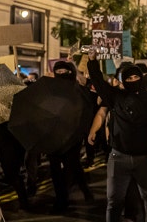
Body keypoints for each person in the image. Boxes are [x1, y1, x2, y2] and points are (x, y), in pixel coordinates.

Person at [87, 52, 147, 222]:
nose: (132, 81)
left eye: (135, 77)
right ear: (123, 81)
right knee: (114, 201)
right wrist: (92, 61)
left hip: (146, 158)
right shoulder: (116, 97)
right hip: (119, 157)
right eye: (129, 78)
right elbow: (98, 82)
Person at [47, 61, 94, 213]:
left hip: (73, 136)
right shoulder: (49, 90)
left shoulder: (79, 91)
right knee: (56, 169)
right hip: (54, 137)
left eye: (64, 71)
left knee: (71, 166)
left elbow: (86, 111)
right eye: (58, 71)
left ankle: (63, 200)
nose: (61, 74)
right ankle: (67, 196)